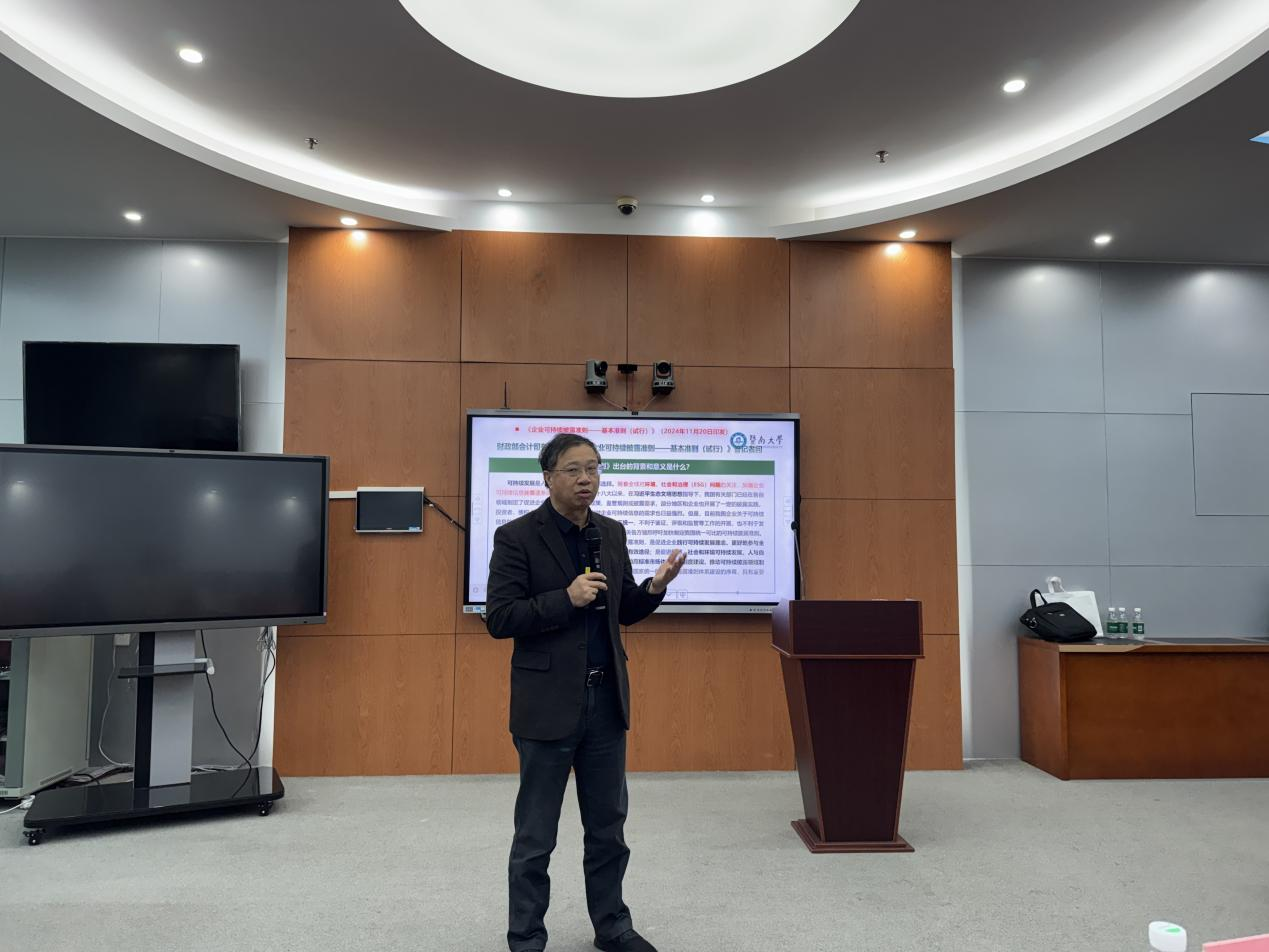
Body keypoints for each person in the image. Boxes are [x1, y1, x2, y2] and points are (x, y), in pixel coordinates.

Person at [486, 432, 686, 952]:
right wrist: (565, 598)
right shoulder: (516, 537)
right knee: (536, 835)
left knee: (608, 828)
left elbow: (623, 610)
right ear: (548, 477)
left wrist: (654, 588)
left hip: (605, 703)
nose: (585, 479)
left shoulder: (610, 533)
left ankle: (612, 926)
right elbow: (500, 618)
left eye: (593, 468)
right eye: (573, 470)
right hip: (547, 704)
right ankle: (526, 937)